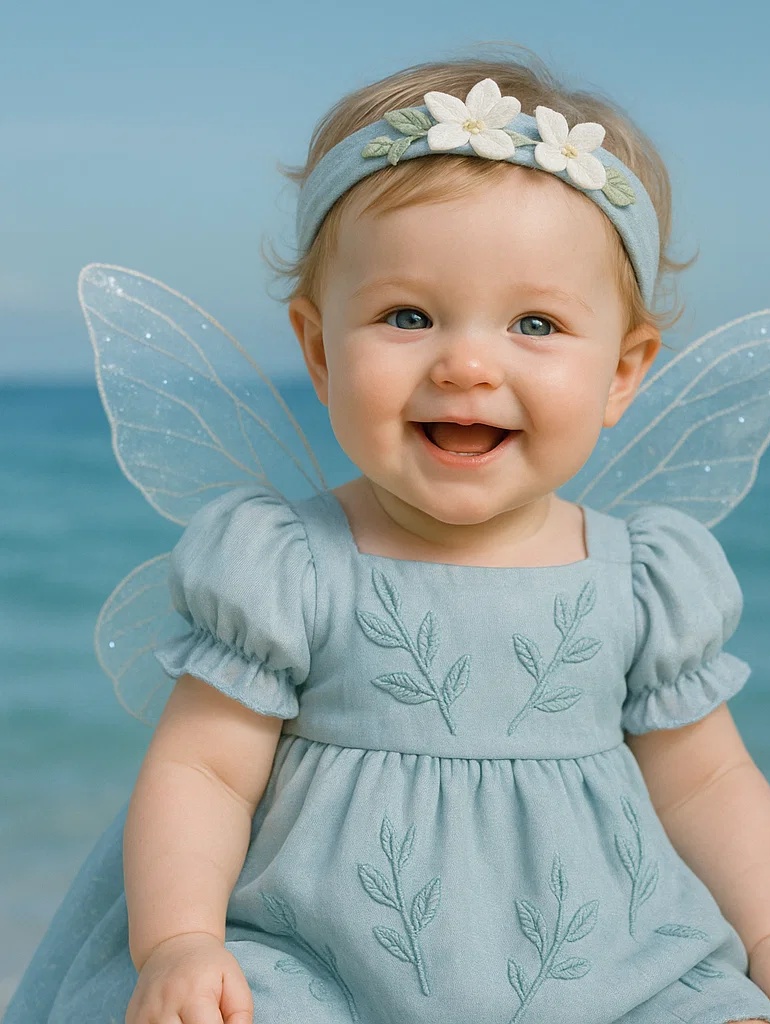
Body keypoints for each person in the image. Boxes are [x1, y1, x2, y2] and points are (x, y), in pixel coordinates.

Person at [7, 51, 770, 1024]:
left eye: (533, 322)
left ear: (621, 374)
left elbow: (707, 782)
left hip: (615, 963)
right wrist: (181, 940)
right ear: (320, 351)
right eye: (406, 314)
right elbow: (201, 769)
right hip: (321, 957)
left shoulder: (638, 582)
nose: (463, 362)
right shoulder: (286, 566)